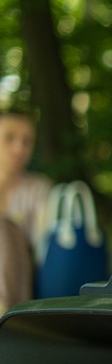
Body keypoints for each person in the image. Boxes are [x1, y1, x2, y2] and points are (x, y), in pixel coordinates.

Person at [0, 111, 52, 311]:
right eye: (9, 138)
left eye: (27, 142)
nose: (19, 148)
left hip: (19, 281)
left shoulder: (39, 189)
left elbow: (42, 247)